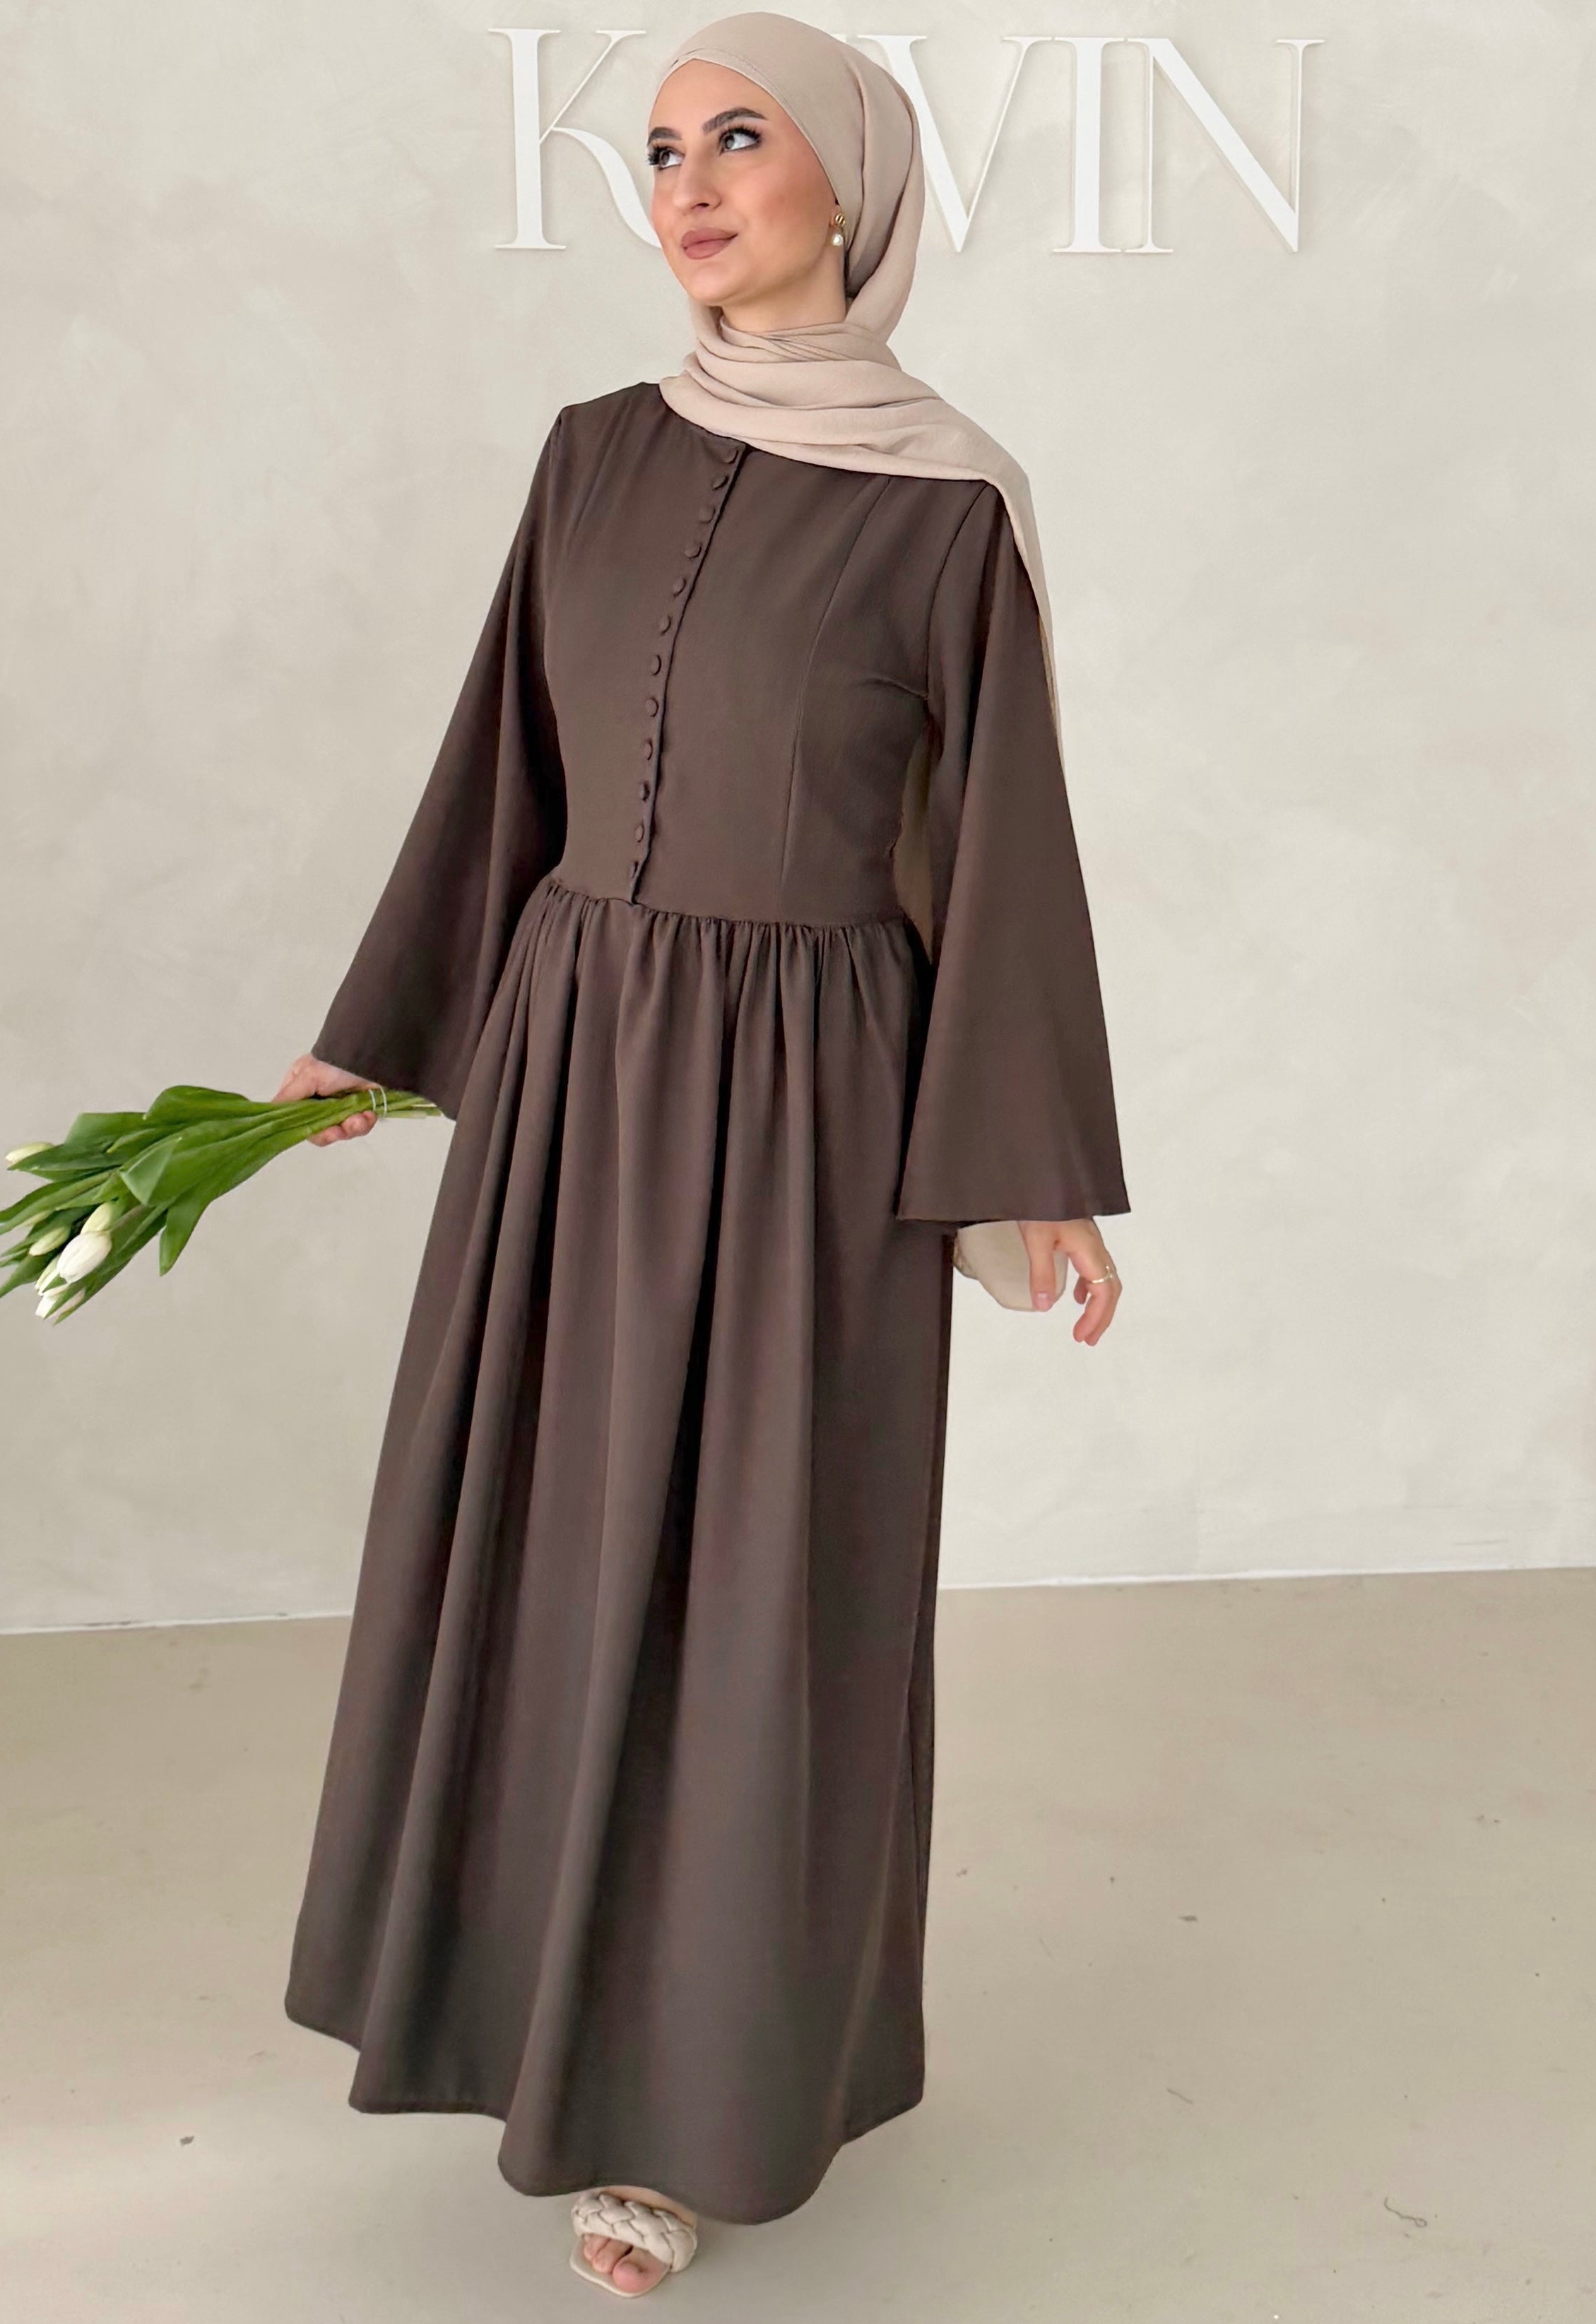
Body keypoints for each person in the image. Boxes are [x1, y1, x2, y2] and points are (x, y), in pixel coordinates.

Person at [276, 10, 1130, 2299]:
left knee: (754, 1597)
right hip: (575, 1075)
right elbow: (502, 775)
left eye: (740, 139)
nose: (690, 186)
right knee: (547, 1554)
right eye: (659, 150)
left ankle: (680, 2106)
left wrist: (1029, 1166)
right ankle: (510, 2027)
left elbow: (1005, 851)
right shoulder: (590, 456)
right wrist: (380, 1035)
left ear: (850, 181)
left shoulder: (950, 503)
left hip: (808, 1114)